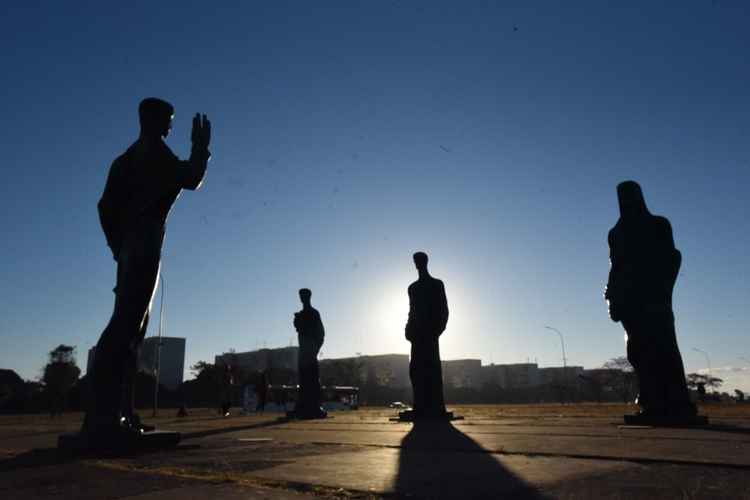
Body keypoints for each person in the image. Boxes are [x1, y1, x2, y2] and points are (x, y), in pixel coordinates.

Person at [84, 98, 211, 441]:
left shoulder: (124, 160)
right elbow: (191, 177)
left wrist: (118, 246)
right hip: (144, 242)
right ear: (153, 121)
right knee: (127, 326)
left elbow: (105, 207)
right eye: (169, 121)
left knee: (131, 329)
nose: (171, 127)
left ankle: (120, 412)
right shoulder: (154, 153)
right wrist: (200, 148)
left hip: (130, 246)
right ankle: (105, 415)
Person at [605, 181, 697, 421]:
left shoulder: (658, 225)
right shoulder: (616, 233)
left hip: (654, 298)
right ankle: (651, 403)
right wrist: (612, 296)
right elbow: (615, 267)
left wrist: (662, 291)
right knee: (638, 352)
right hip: (629, 302)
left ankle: (677, 403)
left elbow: (672, 258)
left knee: (665, 348)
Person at [405, 252, 449, 418]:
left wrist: (436, 330)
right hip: (416, 335)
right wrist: (408, 328)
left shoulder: (437, 284)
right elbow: (412, 310)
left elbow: (443, 310)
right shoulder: (413, 288)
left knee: (432, 370)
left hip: (430, 335)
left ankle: (435, 406)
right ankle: (420, 404)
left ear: (426, 262)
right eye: (415, 261)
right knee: (415, 370)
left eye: (420, 261)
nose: (417, 264)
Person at [292, 288, 327, 419]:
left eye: (304, 296)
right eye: (301, 296)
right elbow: (301, 331)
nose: (302, 298)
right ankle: (303, 405)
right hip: (303, 352)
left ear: (309, 297)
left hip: (310, 352)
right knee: (303, 379)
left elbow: (321, 333)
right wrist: (298, 323)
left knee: (312, 378)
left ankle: (314, 406)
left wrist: (314, 349)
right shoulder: (301, 314)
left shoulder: (314, 313)